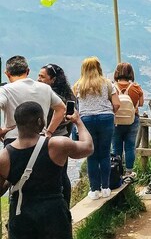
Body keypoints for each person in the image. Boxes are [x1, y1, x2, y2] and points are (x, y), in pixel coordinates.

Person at [0, 101, 94, 239]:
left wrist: (13, 179)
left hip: (21, 212)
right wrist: (78, 122)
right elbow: (88, 147)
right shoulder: (57, 145)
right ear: (40, 121)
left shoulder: (4, 157)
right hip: (53, 211)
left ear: (17, 124)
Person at [73, 57, 121, 200]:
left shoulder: (78, 86)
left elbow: (76, 105)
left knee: (91, 155)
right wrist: (109, 111)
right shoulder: (107, 83)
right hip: (106, 118)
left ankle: (94, 190)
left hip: (86, 119)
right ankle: (106, 187)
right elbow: (117, 103)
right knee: (105, 154)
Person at [0, 55, 66, 146]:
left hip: (14, 140)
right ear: (28, 71)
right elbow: (61, 108)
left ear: (7, 73)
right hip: (40, 140)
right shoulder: (45, 88)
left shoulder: (5, 90)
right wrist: (49, 132)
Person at [37, 63, 77, 205]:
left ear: (53, 80)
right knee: (62, 172)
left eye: (42, 76)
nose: (38, 79)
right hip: (64, 135)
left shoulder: (51, 96)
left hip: (52, 137)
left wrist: (48, 132)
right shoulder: (69, 94)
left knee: (51, 173)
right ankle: (65, 205)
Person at [112, 62, 144, 179]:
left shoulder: (112, 87)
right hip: (132, 119)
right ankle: (129, 172)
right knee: (130, 147)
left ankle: (116, 170)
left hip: (116, 121)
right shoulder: (136, 88)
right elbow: (140, 104)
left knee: (116, 147)